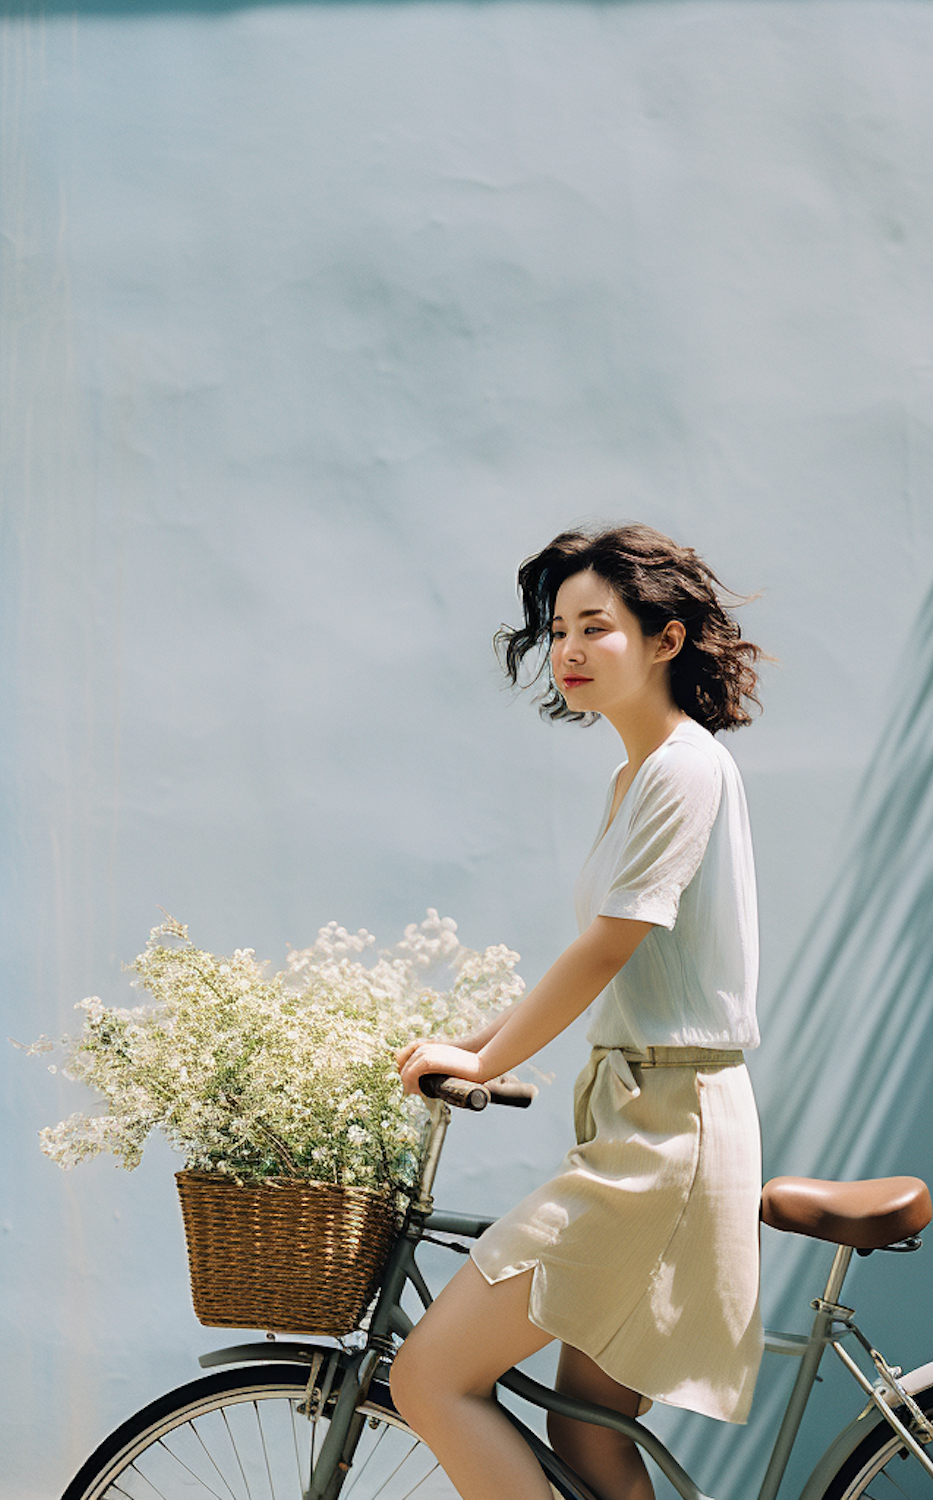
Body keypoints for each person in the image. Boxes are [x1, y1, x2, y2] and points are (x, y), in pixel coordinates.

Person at [391, 522, 766, 1500]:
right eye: (557, 629)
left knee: (425, 1377)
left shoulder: (682, 768)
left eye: (594, 626)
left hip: (664, 1141)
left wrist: (479, 1061)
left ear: (665, 640)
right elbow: (614, 962)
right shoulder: (638, 775)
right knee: (590, 1439)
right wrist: (468, 1046)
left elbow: (608, 947)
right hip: (649, 1122)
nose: (565, 650)